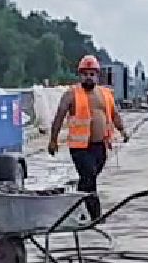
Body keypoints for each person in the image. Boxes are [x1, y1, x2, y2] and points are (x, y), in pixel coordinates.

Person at [47, 55, 129, 223]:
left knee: (87, 180)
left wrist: (123, 130)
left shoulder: (105, 94)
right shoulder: (71, 94)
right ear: (80, 75)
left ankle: (76, 207)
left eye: (92, 74)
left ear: (97, 75)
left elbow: (114, 115)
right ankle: (96, 215)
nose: (89, 77)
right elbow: (59, 116)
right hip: (80, 147)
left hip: (100, 147)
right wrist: (53, 140)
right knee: (89, 177)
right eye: (85, 74)